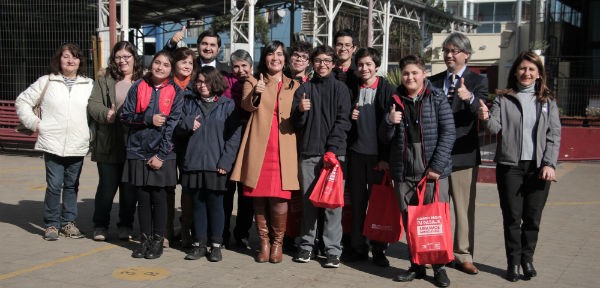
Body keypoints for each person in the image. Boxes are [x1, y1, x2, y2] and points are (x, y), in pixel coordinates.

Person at [478, 51, 561, 282]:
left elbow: (554, 134)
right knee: (513, 218)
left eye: (531, 69)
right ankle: (513, 262)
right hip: (510, 167)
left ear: (538, 74)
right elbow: (494, 129)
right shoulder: (504, 99)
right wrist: (485, 116)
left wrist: (549, 163)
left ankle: (527, 260)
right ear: (515, 71)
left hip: (539, 168)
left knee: (532, 218)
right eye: (523, 69)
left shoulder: (547, 101)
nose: (526, 73)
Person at [379, 55, 455, 287]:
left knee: (434, 221)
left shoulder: (437, 98)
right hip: (404, 171)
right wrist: (389, 121)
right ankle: (417, 266)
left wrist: (436, 167)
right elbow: (384, 138)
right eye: (406, 73)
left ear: (423, 73)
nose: (410, 77)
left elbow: (448, 134)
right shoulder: (394, 100)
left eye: (414, 72)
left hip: (432, 172)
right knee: (411, 221)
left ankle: (439, 268)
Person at [15, 42, 94, 241]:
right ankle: (51, 224)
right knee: (54, 184)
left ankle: (68, 223)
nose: (70, 60)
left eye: (75, 57)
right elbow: (22, 101)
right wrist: (36, 124)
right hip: (52, 142)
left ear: (80, 61)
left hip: (78, 144)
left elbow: (95, 112)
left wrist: (90, 134)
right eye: (66, 56)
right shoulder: (46, 81)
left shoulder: (89, 84)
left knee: (71, 185)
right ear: (59, 59)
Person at [230, 41, 300, 264]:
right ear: (265, 58)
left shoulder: (294, 85)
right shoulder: (253, 80)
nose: (275, 58)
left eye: (280, 54)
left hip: (284, 147)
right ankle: (264, 243)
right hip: (259, 146)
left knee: (280, 198)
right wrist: (256, 94)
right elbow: (247, 106)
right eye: (271, 54)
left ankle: (277, 243)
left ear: (285, 58)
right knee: (258, 198)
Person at [429, 32, 489, 275]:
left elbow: (483, 112)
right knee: (438, 208)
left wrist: (470, 98)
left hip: (463, 155)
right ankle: (439, 252)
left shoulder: (478, 82)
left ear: (467, 54)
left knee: (463, 209)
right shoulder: (433, 81)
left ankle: (463, 254)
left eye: (454, 51)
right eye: (446, 51)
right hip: (437, 157)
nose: (449, 55)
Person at [291, 45, 352, 268]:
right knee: (309, 203)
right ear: (312, 64)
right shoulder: (304, 89)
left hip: (335, 156)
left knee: (333, 206)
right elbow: (295, 124)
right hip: (309, 154)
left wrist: (333, 150)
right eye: (318, 60)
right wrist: (300, 110)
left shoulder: (341, 89)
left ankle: (333, 250)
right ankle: (307, 246)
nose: (322, 64)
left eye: (327, 60)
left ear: (334, 64)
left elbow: (344, 122)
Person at [120, 50, 183, 259]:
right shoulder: (138, 86)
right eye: (157, 62)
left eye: (166, 65)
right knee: (143, 198)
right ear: (151, 63)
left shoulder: (175, 91)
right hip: (137, 150)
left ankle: (158, 240)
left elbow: (173, 126)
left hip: (162, 153)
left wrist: (161, 155)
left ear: (171, 69)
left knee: (159, 197)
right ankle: (144, 240)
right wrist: (148, 118)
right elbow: (126, 116)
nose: (160, 67)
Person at [178, 66, 241, 262]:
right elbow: (175, 127)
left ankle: (216, 245)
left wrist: (226, 161)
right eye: (199, 81)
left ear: (215, 83)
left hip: (217, 164)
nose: (202, 85)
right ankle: (199, 244)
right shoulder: (188, 103)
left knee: (216, 206)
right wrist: (186, 124)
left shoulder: (228, 105)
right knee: (197, 205)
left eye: (206, 81)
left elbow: (234, 137)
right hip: (194, 163)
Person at [342, 47, 393, 267]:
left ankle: (379, 249)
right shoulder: (351, 86)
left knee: (377, 206)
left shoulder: (386, 89)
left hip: (378, 159)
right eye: (360, 64)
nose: (364, 68)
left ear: (376, 66)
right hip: (355, 155)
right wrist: (349, 115)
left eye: (368, 64)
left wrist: (386, 158)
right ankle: (357, 247)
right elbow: (342, 116)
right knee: (357, 204)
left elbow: (393, 128)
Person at [88, 41, 143, 242]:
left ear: (134, 58)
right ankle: (100, 225)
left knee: (129, 191)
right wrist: (106, 114)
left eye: (126, 57)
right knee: (106, 188)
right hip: (109, 142)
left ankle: (126, 225)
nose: (122, 61)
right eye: (118, 57)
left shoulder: (143, 80)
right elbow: (93, 104)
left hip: (134, 144)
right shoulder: (105, 80)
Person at [165, 47, 198, 248]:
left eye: (190, 63)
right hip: (168, 144)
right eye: (183, 62)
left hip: (189, 144)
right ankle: (166, 230)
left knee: (188, 189)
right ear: (174, 64)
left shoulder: (197, 87)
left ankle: (186, 229)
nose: (186, 66)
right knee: (167, 188)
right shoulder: (165, 86)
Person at [222, 49, 255, 250]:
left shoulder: (257, 83)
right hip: (228, 142)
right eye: (236, 66)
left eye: (244, 66)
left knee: (246, 194)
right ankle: (222, 234)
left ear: (251, 67)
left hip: (249, 142)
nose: (241, 70)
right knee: (226, 192)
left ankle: (242, 234)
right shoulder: (225, 84)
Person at [165, 29, 230, 72]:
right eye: (204, 44)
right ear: (198, 46)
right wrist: (172, 42)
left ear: (218, 49)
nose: (208, 48)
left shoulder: (227, 71)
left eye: (212, 45)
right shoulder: (187, 67)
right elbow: (164, 60)